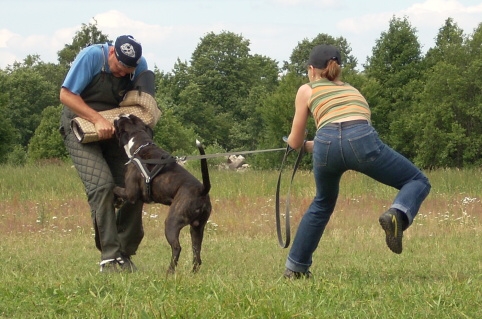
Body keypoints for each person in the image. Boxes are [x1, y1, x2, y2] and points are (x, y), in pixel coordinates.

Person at [283, 44, 431, 279]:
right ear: (337, 69)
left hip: (326, 144)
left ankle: (295, 269)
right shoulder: (353, 91)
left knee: (322, 203)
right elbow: (351, 128)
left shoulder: (307, 89)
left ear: (312, 70)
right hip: (361, 139)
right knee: (417, 180)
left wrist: (301, 144)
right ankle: (398, 214)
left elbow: (295, 141)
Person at [59, 35, 149, 273]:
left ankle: (124, 254)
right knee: (101, 187)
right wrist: (97, 119)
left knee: (136, 184)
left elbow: (141, 103)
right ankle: (109, 257)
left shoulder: (140, 66)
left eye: (127, 71)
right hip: (80, 127)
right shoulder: (91, 57)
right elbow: (66, 95)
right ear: (111, 53)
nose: (121, 74)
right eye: (118, 68)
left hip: (114, 129)